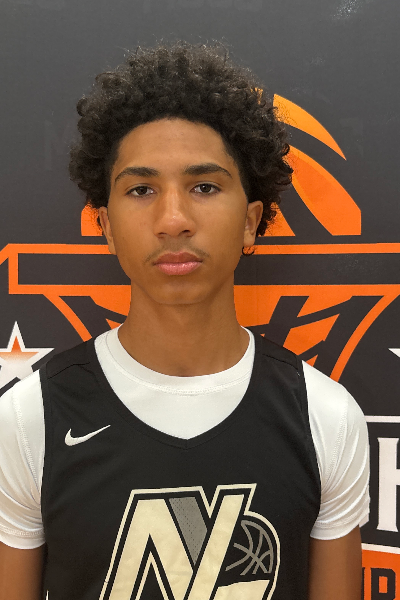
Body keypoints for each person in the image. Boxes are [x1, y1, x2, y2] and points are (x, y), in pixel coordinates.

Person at [0, 43, 369, 600]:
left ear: (250, 222)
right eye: (141, 189)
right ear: (106, 226)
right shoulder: (31, 419)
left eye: (204, 187)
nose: (173, 219)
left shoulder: (326, 417)